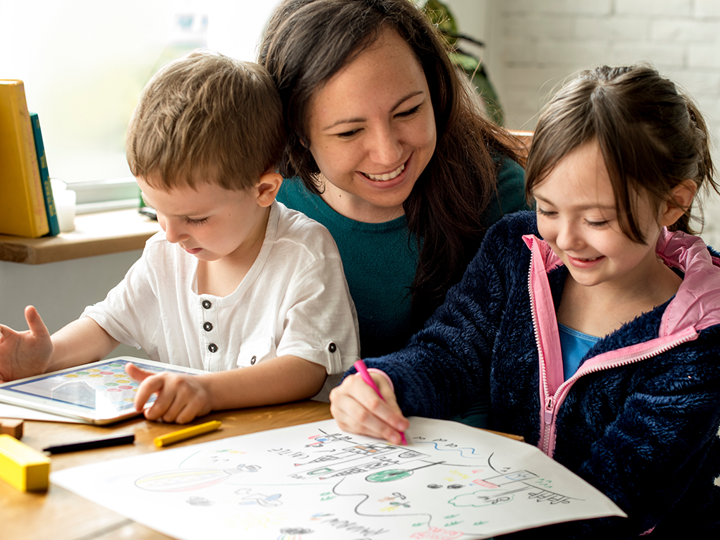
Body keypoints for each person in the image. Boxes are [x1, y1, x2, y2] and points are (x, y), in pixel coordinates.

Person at [330, 65, 720, 537]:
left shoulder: (701, 339)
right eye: (549, 209)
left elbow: (615, 501)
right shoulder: (517, 250)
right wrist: (383, 385)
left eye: (597, 219)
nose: (567, 239)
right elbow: (450, 350)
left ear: (672, 204)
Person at [0, 50, 360, 424]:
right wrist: (49, 355)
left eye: (195, 217)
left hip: (291, 450)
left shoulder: (305, 252)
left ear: (265, 190)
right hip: (198, 453)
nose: (170, 234)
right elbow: (106, 325)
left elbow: (305, 369)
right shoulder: (164, 255)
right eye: (157, 210)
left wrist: (206, 391)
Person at [259, 0, 529, 361]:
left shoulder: (497, 194)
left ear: (434, 91)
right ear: (299, 133)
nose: (388, 154)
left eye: (408, 111)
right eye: (350, 131)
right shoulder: (263, 193)